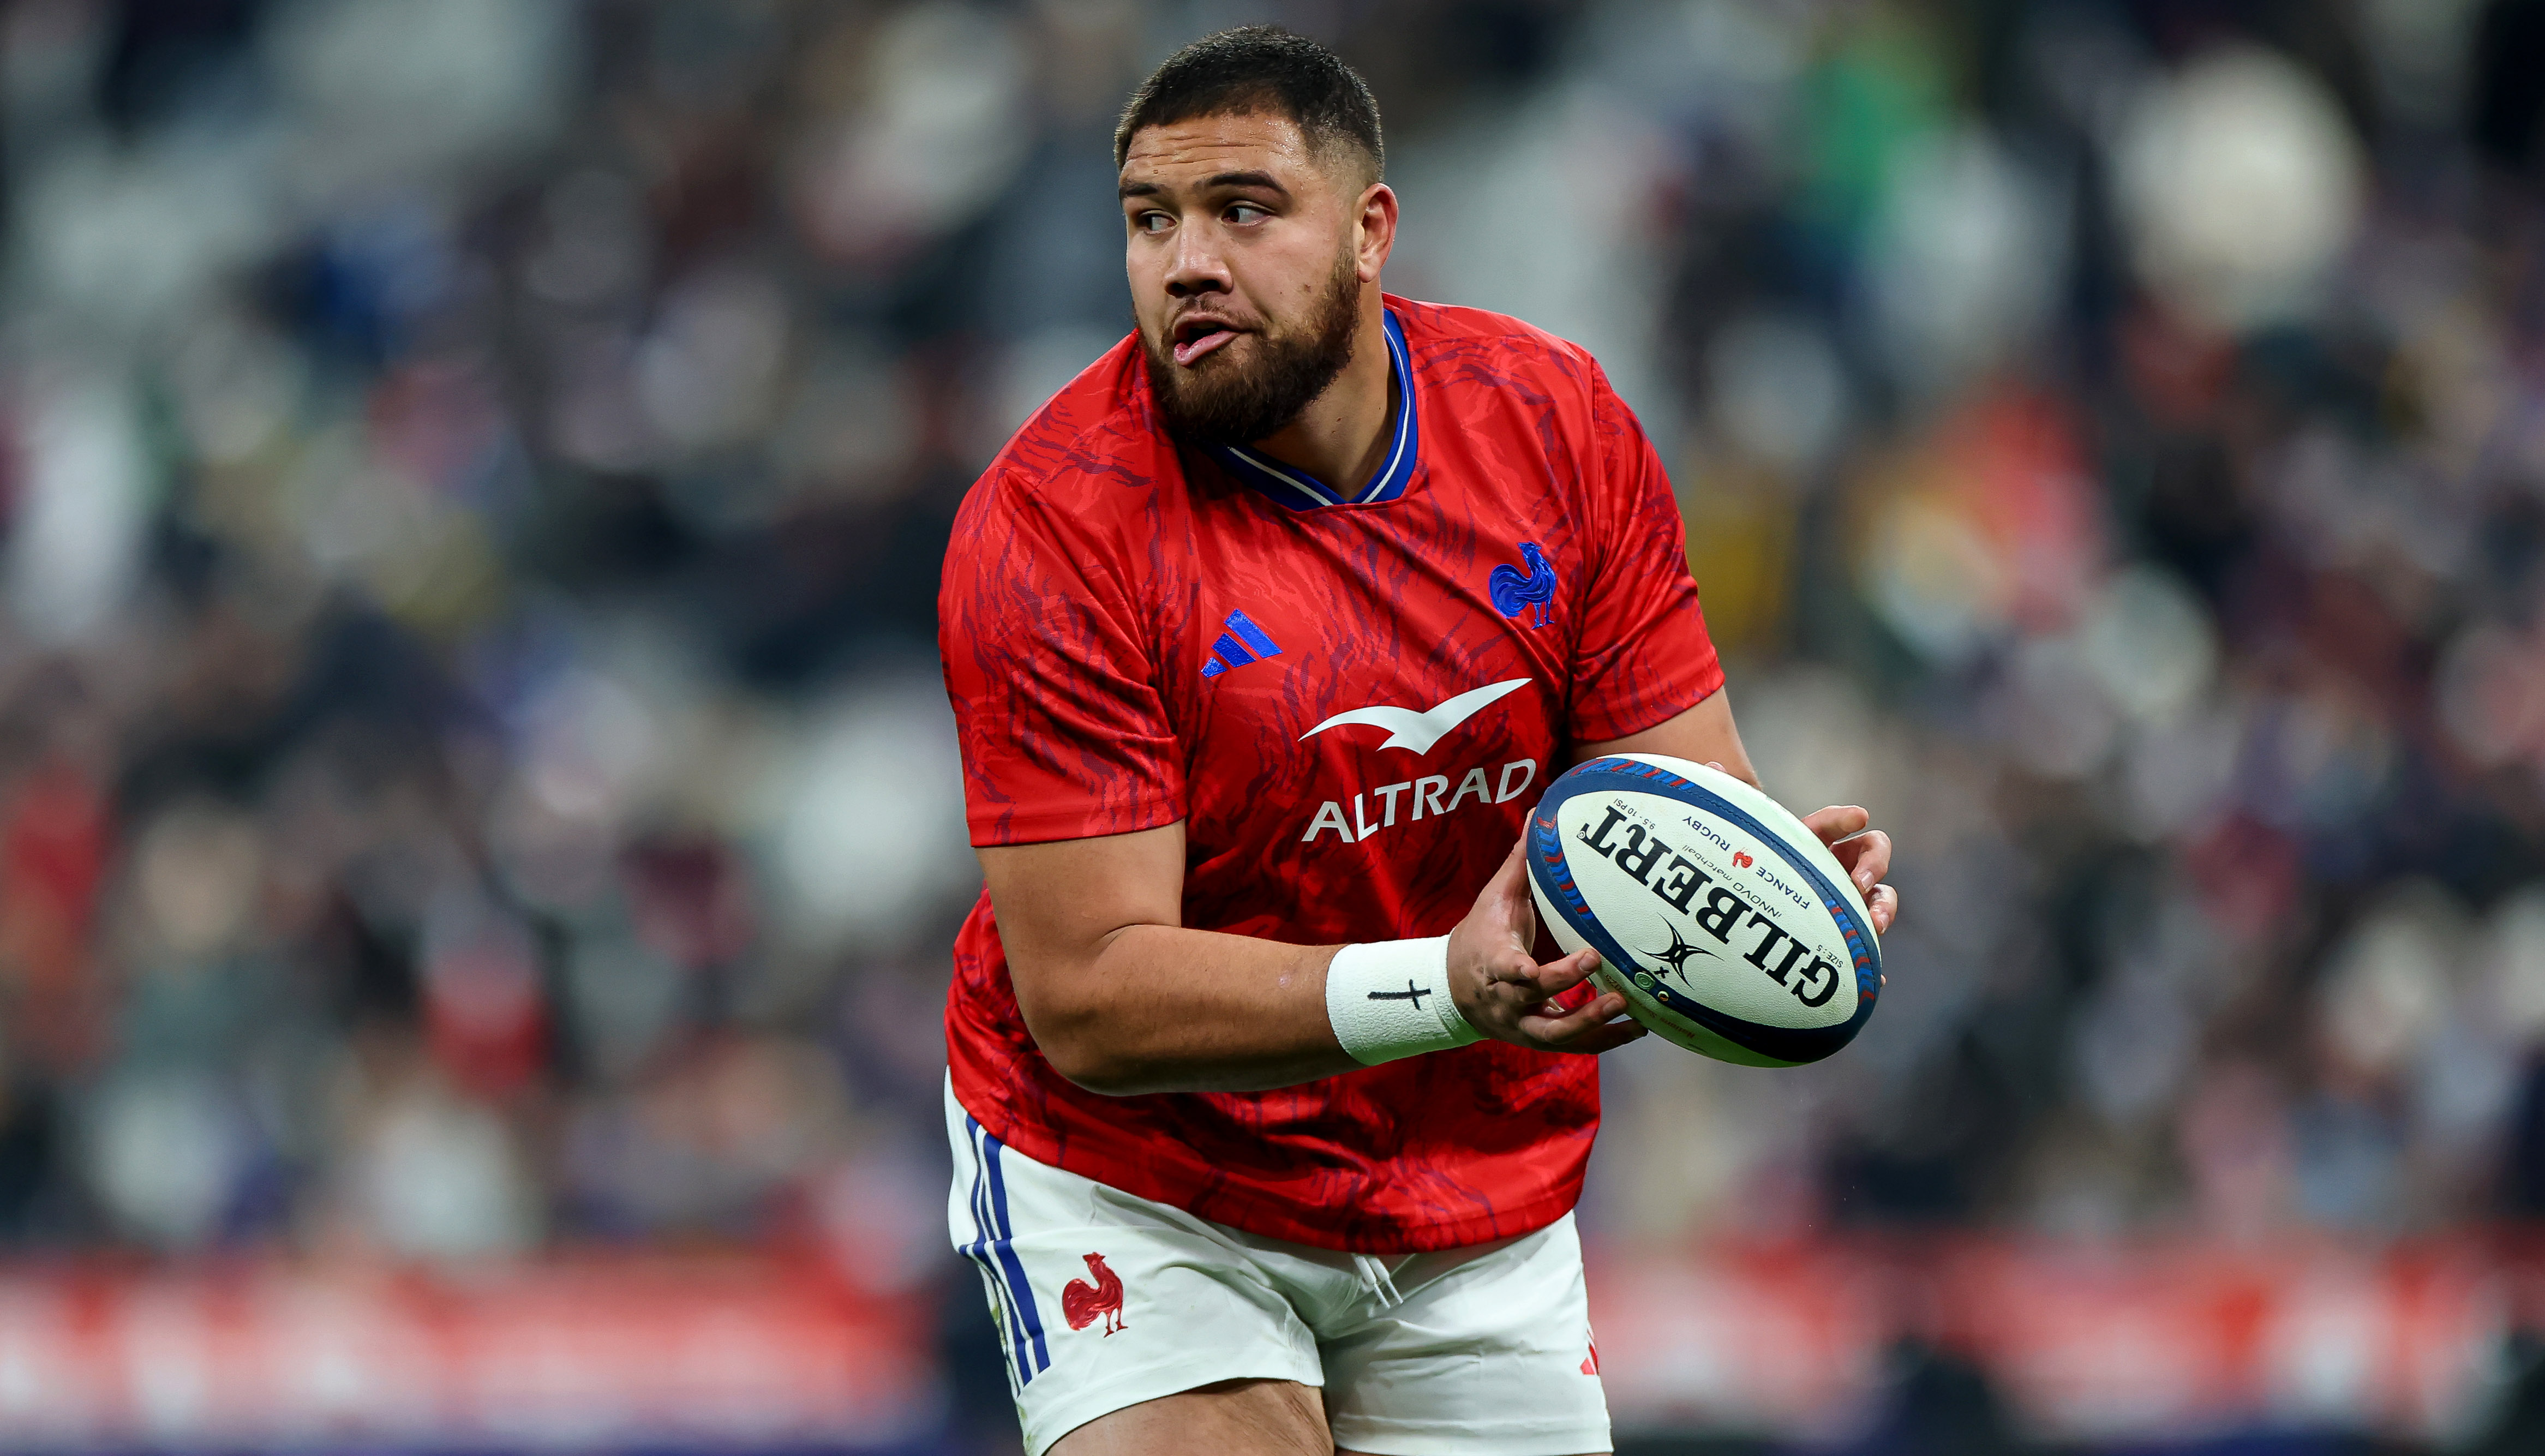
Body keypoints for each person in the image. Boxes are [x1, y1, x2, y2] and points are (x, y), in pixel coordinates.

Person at [935, 27, 1898, 1456]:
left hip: (1469, 1177)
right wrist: (1444, 985)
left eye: (1243, 211)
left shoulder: (1554, 427)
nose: (1186, 262)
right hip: (1146, 1182)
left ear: (1371, 230)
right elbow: (1089, 999)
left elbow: (1673, 788)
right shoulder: (1052, 530)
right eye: (1150, 220)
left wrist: (1766, 877)